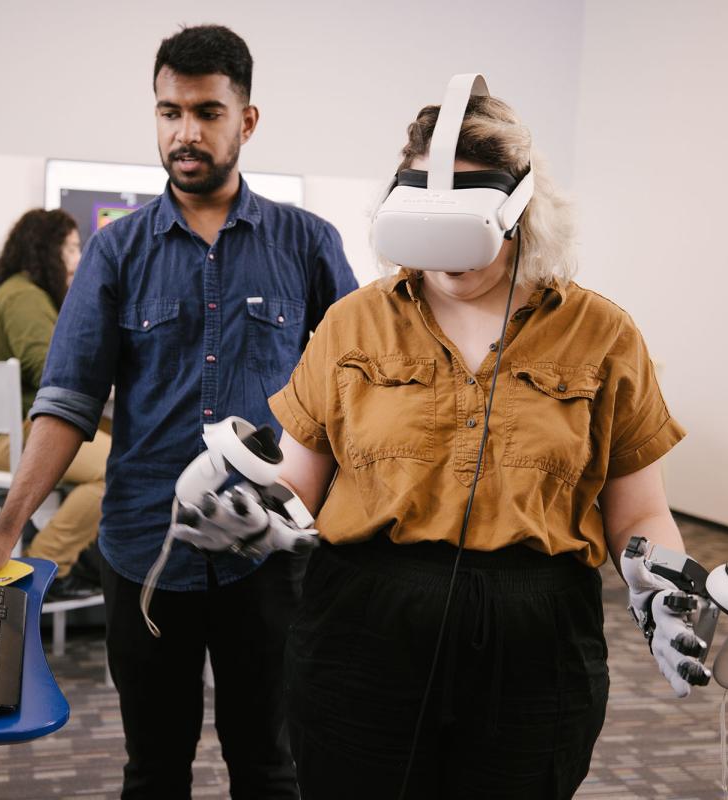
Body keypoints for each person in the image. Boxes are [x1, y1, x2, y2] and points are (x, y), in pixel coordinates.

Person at [262, 94, 690, 798]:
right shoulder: (353, 324)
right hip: (363, 629)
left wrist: (664, 591)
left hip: (537, 639)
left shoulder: (603, 333)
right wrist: (249, 513)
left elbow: (638, 512)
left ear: (521, 209)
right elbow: (295, 483)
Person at [0, 24, 357, 800]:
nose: (185, 132)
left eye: (207, 112)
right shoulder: (115, 252)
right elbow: (66, 399)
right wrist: (8, 520)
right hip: (143, 549)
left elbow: (358, 395)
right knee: (152, 769)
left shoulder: (308, 243)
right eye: (169, 112)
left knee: (270, 765)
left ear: (246, 120)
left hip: (272, 559)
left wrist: (320, 507)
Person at [0, 208, 109, 599]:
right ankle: (48, 564)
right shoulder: (24, 297)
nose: (78, 259)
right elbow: (53, 371)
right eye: (72, 248)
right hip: (11, 438)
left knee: (111, 434)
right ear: (47, 250)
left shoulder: (13, 291)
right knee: (120, 467)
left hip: (13, 432)